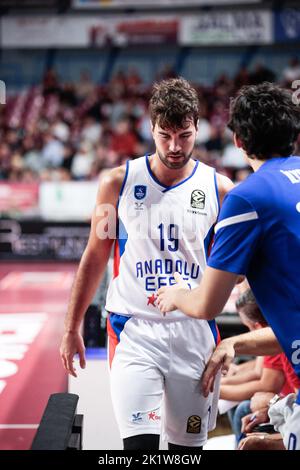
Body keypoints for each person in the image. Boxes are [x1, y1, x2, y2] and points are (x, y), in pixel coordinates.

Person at [60, 77, 234, 450]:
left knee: (186, 453)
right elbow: (95, 255)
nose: (174, 146)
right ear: (150, 128)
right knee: (139, 451)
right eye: (164, 135)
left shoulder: (221, 190)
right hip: (134, 330)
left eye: (184, 135)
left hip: (195, 334)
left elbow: (235, 269)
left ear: (198, 128)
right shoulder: (117, 183)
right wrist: (72, 325)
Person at [156, 82, 300, 450]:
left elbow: (207, 303)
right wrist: (237, 342)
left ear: (237, 140)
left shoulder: (247, 198)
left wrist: (176, 295)